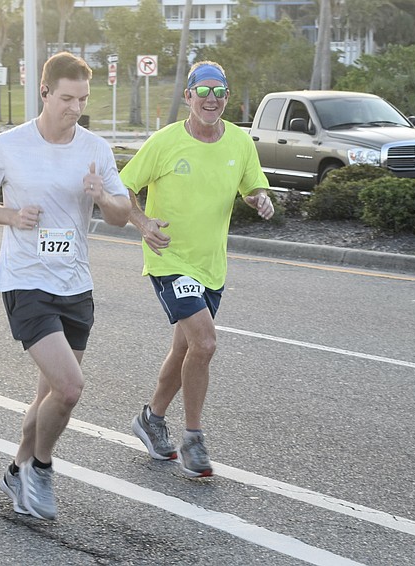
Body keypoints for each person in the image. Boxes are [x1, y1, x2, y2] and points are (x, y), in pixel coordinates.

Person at [0, 52, 130, 520]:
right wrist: (10, 216)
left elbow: (120, 215)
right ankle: (41, 466)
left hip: (75, 283)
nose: (74, 107)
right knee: (70, 388)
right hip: (25, 279)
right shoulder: (9, 145)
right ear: (44, 93)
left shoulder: (95, 148)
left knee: (49, 397)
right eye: (66, 98)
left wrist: (102, 197)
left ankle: (15, 470)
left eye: (82, 99)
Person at [120, 61, 274, 478]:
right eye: (202, 91)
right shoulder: (165, 142)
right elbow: (124, 187)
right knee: (204, 343)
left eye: (219, 91)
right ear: (188, 97)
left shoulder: (240, 142)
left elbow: (251, 185)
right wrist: (143, 223)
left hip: (211, 266)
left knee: (186, 349)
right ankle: (193, 438)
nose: (212, 99)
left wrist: (260, 198)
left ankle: (151, 419)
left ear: (227, 95)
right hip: (169, 258)